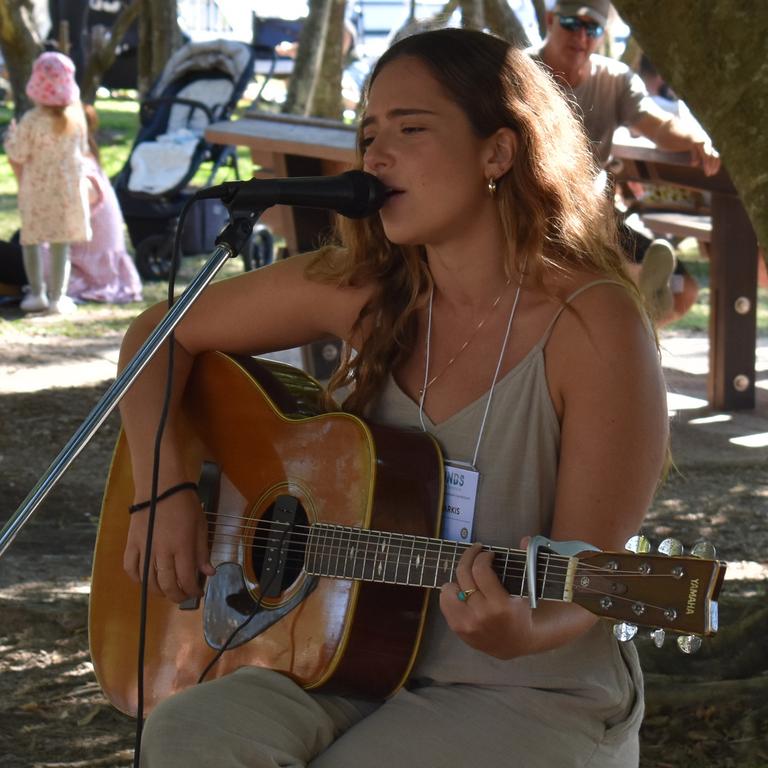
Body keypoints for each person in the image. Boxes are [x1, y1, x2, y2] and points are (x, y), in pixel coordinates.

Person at [118, 28, 668, 767]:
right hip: (348, 657)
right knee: (186, 734)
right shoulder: (372, 291)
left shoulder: (593, 323)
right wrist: (164, 488)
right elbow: (159, 335)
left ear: (497, 153)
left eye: (410, 129)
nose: (375, 157)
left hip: (532, 690)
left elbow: (586, 572)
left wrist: (524, 630)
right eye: (369, 133)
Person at [531, 0, 721, 324]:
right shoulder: (520, 73)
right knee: (611, 282)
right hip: (535, 212)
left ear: (602, 33)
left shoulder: (615, 79)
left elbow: (658, 125)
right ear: (550, 19)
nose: (581, 36)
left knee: (683, 290)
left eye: (592, 28)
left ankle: (629, 338)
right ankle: (632, 287)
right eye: (572, 24)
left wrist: (696, 140)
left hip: (597, 214)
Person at [0, 105, 143, 305]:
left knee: (19, 245)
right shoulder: (82, 162)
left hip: (84, 272)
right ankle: (21, 288)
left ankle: (27, 289)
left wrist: (17, 164)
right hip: (82, 263)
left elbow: (49, 218)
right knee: (21, 237)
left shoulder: (79, 173)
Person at [4, 51, 92, 314]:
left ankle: (37, 293)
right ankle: (58, 297)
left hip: (36, 191)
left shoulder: (31, 120)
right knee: (60, 244)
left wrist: (11, 137)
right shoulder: (77, 120)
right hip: (66, 192)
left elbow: (18, 153)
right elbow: (84, 150)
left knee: (31, 240)